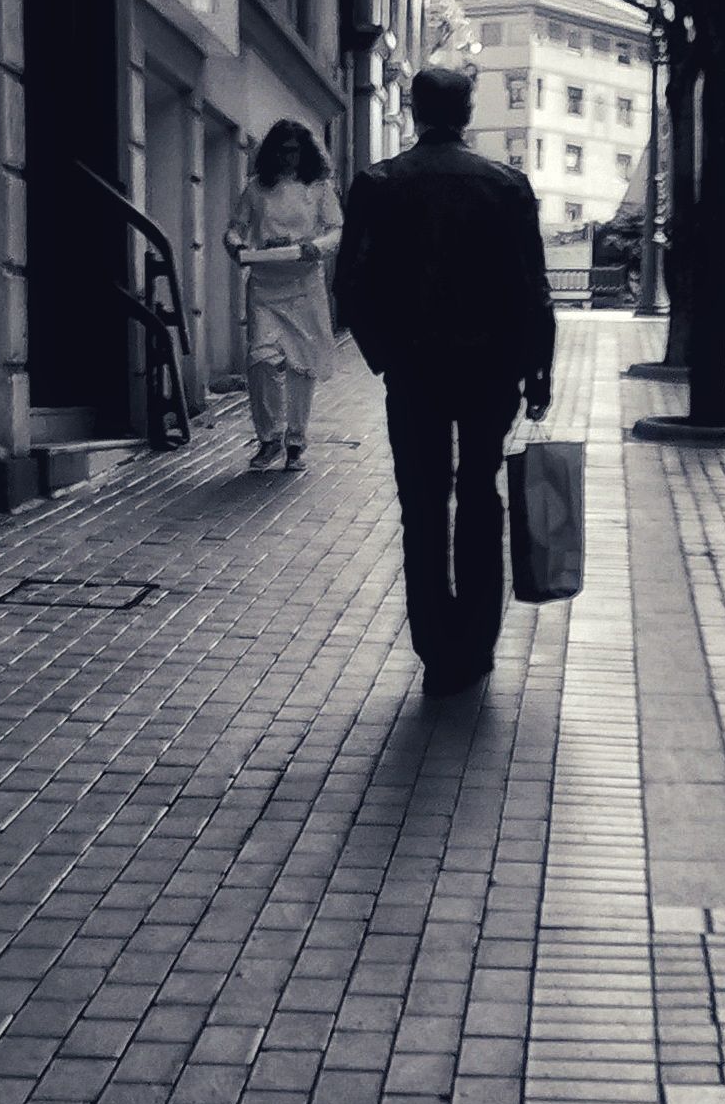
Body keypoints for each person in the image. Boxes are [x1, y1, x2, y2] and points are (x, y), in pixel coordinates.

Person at [334, 63, 556, 698]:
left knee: (423, 505)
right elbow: (532, 286)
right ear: (468, 111)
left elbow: (351, 282)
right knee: (481, 494)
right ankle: (477, 641)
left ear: (413, 108)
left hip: (415, 368)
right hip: (491, 367)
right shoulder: (507, 185)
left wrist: (385, 357)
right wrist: (537, 366)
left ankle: (435, 646)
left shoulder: (379, 183)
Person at [224, 120, 342, 473]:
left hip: (304, 284)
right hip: (264, 283)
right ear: (272, 151)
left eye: (295, 150)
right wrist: (238, 247)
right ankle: (268, 438)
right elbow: (235, 228)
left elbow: (337, 229)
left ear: (305, 152)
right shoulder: (256, 189)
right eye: (283, 149)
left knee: (300, 366)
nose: (289, 157)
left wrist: (313, 248)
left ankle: (295, 442)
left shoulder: (318, 188)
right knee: (261, 360)